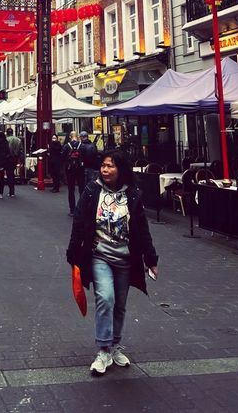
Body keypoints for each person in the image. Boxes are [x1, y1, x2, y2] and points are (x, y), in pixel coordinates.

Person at [66, 148, 159, 376]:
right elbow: (79, 222)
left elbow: (142, 228)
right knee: (105, 298)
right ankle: (104, 348)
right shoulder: (91, 190)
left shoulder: (133, 194)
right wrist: (73, 253)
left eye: (110, 166)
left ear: (121, 169)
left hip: (126, 258)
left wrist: (151, 258)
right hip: (100, 255)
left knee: (120, 304)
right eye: (103, 166)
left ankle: (115, 345)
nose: (105, 170)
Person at [63, 132, 85, 215]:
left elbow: (63, 157)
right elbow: (85, 157)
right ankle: (82, 209)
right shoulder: (82, 146)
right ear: (78, 137)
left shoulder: (66, 146)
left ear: (70, 137)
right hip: (80, 169)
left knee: (71, 189)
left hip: (70, 169)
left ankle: (72, 210)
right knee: (81, 189)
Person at [5, 128, 22, 198]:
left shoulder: (6, 140)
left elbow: (5, 150)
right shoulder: (18, 140)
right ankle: (12, 191)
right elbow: (20, 151)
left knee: (9, 174)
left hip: (8, 159)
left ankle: (11, 190)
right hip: (15, 158)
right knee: (12, 173)